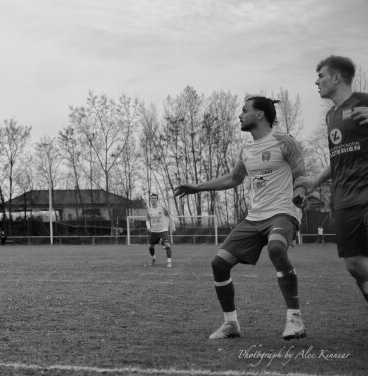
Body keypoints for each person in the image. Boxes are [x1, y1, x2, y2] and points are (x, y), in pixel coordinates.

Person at [174, 96, 307, 340]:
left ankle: (295, 319)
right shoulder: (246, 150)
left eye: (245, 110)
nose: (240, 115)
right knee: (219, 263)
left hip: (283, 212)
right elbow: (233, 179)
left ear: (259, 114)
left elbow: (301, 174)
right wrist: (198, 187)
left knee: (276, 248)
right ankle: (231, 324)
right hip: (255, 217)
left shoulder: (284, 142)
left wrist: (300, 193)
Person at [298, 55, 368, 303]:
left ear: (336, 77)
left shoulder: (365, 102)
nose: (316, 82)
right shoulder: (331, 117)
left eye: (320, 76)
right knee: (355, 266)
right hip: (344, 200)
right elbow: (337, 158)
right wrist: (315, 182)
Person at [145, 193, 176, 267]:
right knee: (151, 247)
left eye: (155, 198)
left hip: (163, 230)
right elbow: (147, 220)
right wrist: (148, 226)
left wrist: (173, 226)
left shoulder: (162, 208)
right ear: (150, 200)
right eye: (152, 198)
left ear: (157, 200)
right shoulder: (149, 210)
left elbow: (169, 216)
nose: (153, 199)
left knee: (167, 245)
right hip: (154, 231)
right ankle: (153, 258)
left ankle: (169, 262)